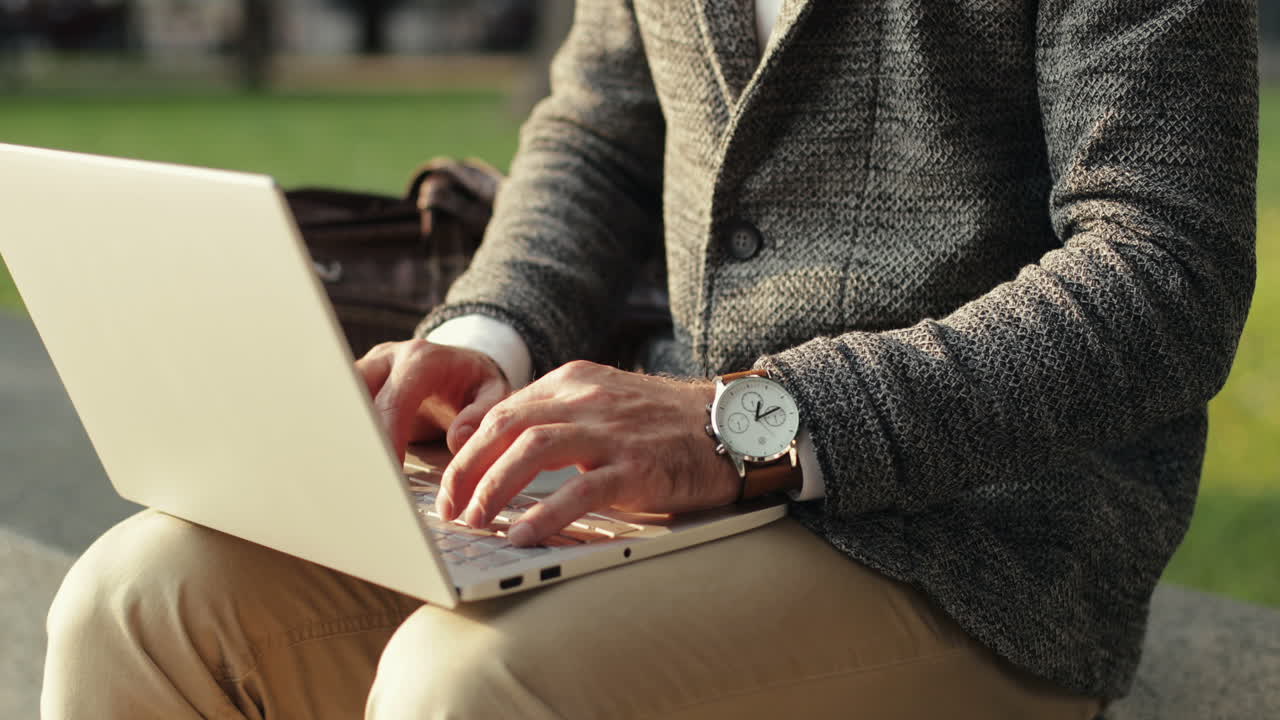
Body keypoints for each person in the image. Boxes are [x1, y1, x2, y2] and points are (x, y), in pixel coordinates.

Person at [42, 1, 1257, 718]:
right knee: (142, 600)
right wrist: (486, 331)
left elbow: (1163, 272)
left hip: (981, 539)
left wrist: (744, 426)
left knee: (468, 689)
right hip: (655, 479)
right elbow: (602, 131)